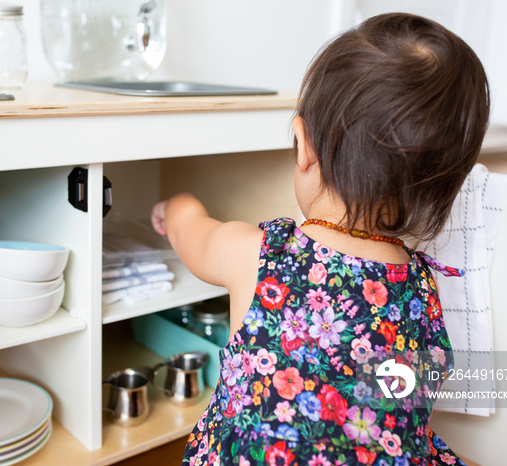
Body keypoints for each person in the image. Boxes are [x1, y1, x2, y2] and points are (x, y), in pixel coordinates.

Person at [151, 12, 489, 466]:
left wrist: (176, 204)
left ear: (303, 144)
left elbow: (192, 236)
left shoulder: (259, 255)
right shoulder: (424, 289)